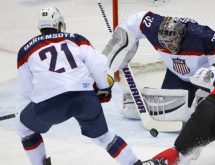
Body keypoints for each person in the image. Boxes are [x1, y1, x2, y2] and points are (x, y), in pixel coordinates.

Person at [15, 7, 142, 165]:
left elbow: (27, 91)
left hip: (49, 105)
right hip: (84, 99)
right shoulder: (76, 39)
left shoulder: (25, 51)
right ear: (59, 24)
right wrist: (103, 88)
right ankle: (135, 163)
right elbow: (99, 64)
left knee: (24, 127)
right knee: (104, 137)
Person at [104, 11, 215, 121]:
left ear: (181, 35)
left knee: (203, 115)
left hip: (200, 78)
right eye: (165, 43)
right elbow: (136, 21)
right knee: (167, 113)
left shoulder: (202, 35)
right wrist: (121, 43)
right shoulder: (153, 28)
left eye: (173, 42)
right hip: (176, 75)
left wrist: (213, 73)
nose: (169, 47)